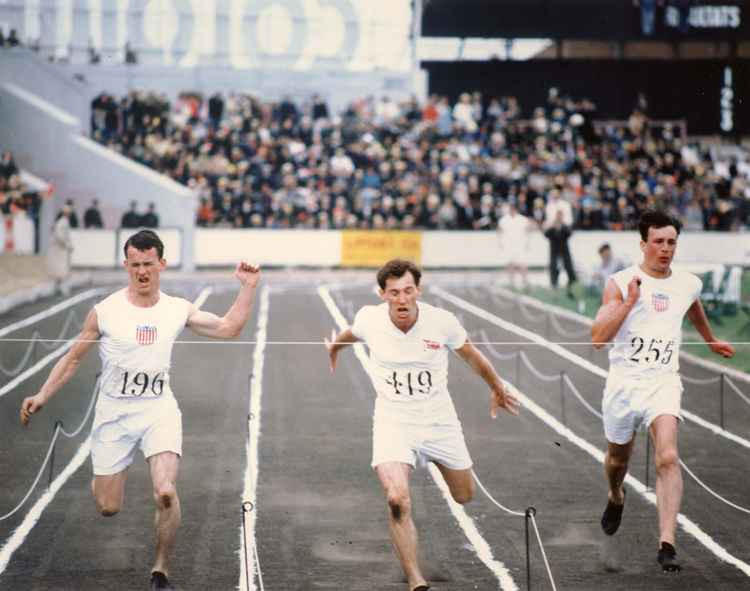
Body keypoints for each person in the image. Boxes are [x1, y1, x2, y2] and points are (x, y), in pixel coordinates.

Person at [21, 229, 261, 590]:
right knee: (108, 506)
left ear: (161, 264)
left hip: (158, 410)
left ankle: (161, 570)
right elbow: (72, 360)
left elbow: (228, 328)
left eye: (149, 264)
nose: (142, 271)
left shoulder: (176, 309)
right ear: (126, 265)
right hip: (113, 416)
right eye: (135, 265)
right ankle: (108, 475)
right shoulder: (106, 312)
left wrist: (248, 287)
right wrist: (42, 395)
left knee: (165, 491)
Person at [324, 259, 520, 591]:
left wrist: (497, 387)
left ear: (419, 290)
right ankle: (415, 579)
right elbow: (350, 334)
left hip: (439, 422)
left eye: (408, 291)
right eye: (394, 293)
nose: (402, 299)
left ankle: (439, 467)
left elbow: (472, 355)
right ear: (382, 294)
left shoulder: (441, 322)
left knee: (464, 495)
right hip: (393, 422)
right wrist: (335, 349)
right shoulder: (370, 319)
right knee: (397, 498)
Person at [591, 209, 734, 572]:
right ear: (643, 244)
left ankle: (666, 542)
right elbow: (597, 339)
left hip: (663, 382)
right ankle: (615, 494)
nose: (666, 249)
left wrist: (710, 339)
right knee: (618, 460)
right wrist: (629, 303)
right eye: (658, 242)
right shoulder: (621, 282)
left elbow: (693, 306)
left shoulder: (687, 282)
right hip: (624, 385)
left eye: (671, 242)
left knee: (668, 456)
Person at [543, 190, 577, 297]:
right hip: (554, 248)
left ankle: (572, 284)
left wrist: (561, 222)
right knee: (554, 267)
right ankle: (554, 285)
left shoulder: (565, 227)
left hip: (564, 248)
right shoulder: (552, 228)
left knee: (568, 266)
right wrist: (553, 223)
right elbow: (546, 234)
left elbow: (569, 233)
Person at [497, 202, 534, 289]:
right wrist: (501, 242)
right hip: (508, 244)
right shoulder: (504, 219)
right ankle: (511, 281)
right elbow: (499, 230)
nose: (512, 210)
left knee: (522, 263)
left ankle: (525, 280)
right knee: (510, 263)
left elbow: (529, 228)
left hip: (520, 244)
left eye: (513, 209)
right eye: (511, 209)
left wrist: (527, 241)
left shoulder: (522, 219)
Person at [46, 206, 74, 295]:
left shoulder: (62, 222)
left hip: (60, 249)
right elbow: (60, 236)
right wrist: (67, 245)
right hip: (60, 249)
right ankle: (61, 289)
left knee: (59, 269)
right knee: (61, 269)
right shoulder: (62, 222)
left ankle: (57, 288)